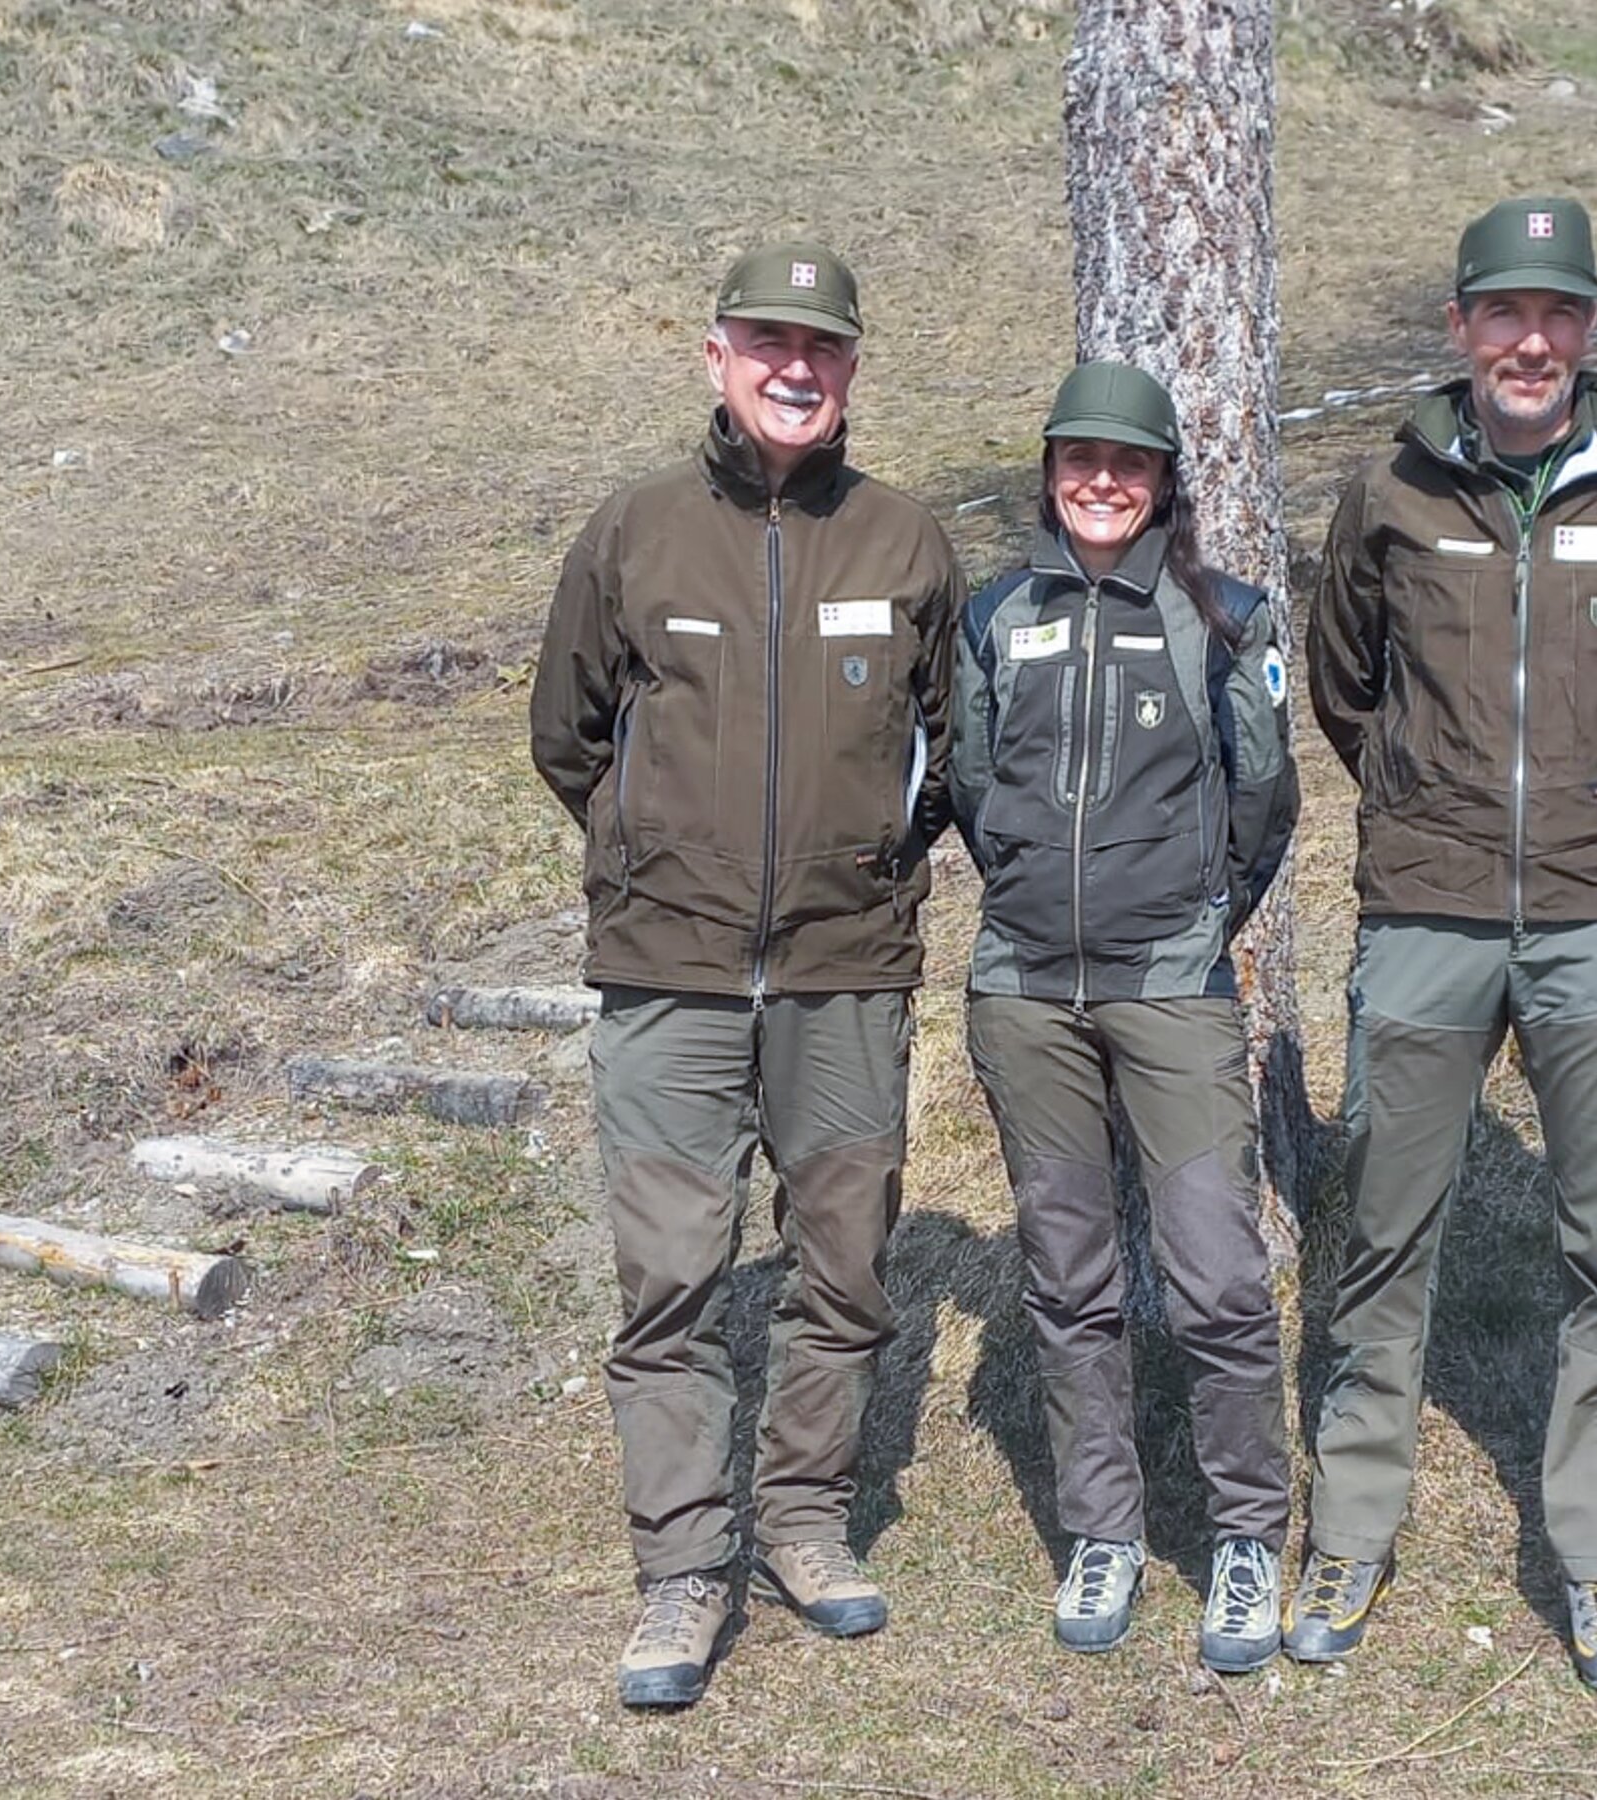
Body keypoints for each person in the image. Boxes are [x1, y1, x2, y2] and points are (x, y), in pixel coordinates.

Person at [1295, 197, 1597, 1691]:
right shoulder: (1387, 494)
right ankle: (1353, 1525)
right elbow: (1341, 686)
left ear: (1588, 329)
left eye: (1556, 312)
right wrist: (1427, 804)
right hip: (1427, 912)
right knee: (1382, 1229)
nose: (1529, 338)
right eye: (1502, 311)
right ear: (1459, 326)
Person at [529, 241, 962, 1710]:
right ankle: (682, 1570)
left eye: (823, 347)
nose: (797, 367)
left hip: (848, 972)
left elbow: (950, 754)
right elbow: (569, 736)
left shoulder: (907, 544)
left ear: (851, 371)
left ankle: (801, 1524)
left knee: (842, 1272)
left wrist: (872, 867)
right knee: (670, 1283)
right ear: (713, 356)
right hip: (671, 976)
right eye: (769, 342)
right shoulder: (638, 534)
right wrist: (648, 855)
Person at [951, 361, 1298, 1669]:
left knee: (1215, 1276)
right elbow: (980, 794)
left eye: (1131, 461)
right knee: (1069, 1279)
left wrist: (1191, 913)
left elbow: (1263, 806)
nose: (1104, 480)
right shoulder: (995, 616)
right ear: (1049, 468)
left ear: (1164, 482)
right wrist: (1045, 903)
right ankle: (1103, 1530)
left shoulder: (1226, 619)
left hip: (1174, 995)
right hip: (1027, 997)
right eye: (1081, 457)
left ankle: (1247, 1540)